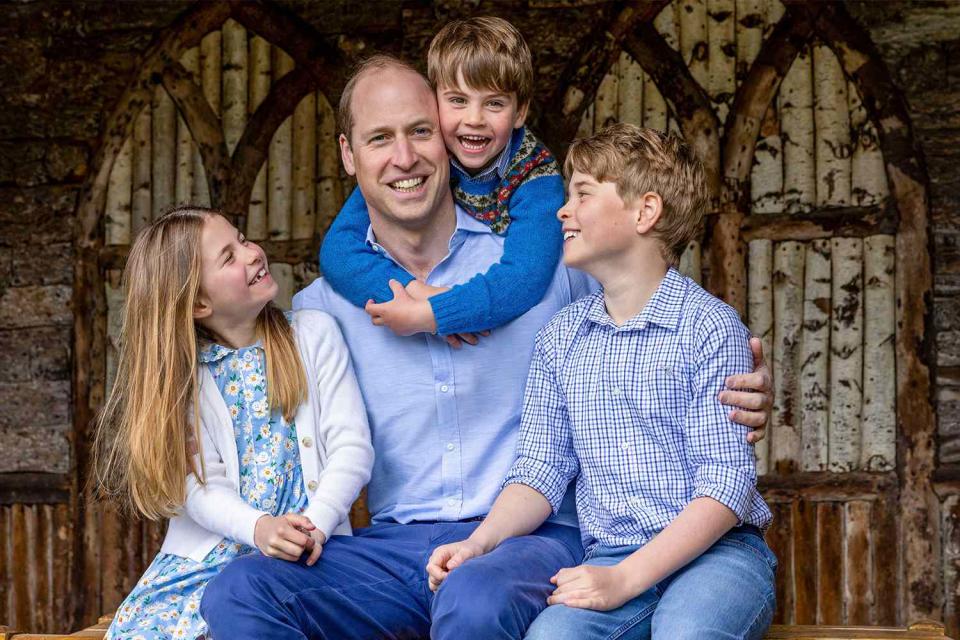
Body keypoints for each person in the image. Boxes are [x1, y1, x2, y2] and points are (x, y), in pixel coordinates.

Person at [200, 57, 773, 640]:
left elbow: (647, 314)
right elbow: (232, 381)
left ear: (449, 141)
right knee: (239, 591)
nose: (405, 157)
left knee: (475, 599)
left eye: (421, 132)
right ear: (349, 154)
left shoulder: (544, 270)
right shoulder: (323, 310)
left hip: (532, 540)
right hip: (394, 551)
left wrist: (744, 384)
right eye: (380, 139)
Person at [427, 124, 777, 640]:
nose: (563, 211)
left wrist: (625, 580)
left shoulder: (708, 328)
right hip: (611, 553)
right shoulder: (562, 338)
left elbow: (725, 487)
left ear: (645, 211)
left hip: (719, 555)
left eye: (583, 194)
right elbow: (541, 469)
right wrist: (478, 544)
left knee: (686, 632)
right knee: (551, 637)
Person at [93, 206, 373, 639]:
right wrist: (259, 528)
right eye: (228, 257)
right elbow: (199, 486)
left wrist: (314, 525)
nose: (251, 253)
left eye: (242, 239)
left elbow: (351, 447)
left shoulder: (314, 335)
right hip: (204, 564)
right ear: (199, 303)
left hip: (311, 553)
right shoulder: (186, 380)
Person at [319, 17, 563, 341]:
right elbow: (337, 251)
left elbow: (526, 277)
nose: (473, 120)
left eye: (494, 103)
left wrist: (439, 313)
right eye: (458, 101)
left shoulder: (537, 177)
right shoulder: (431, 154)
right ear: (434, 103)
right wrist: (412, 293)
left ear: (519, 113)